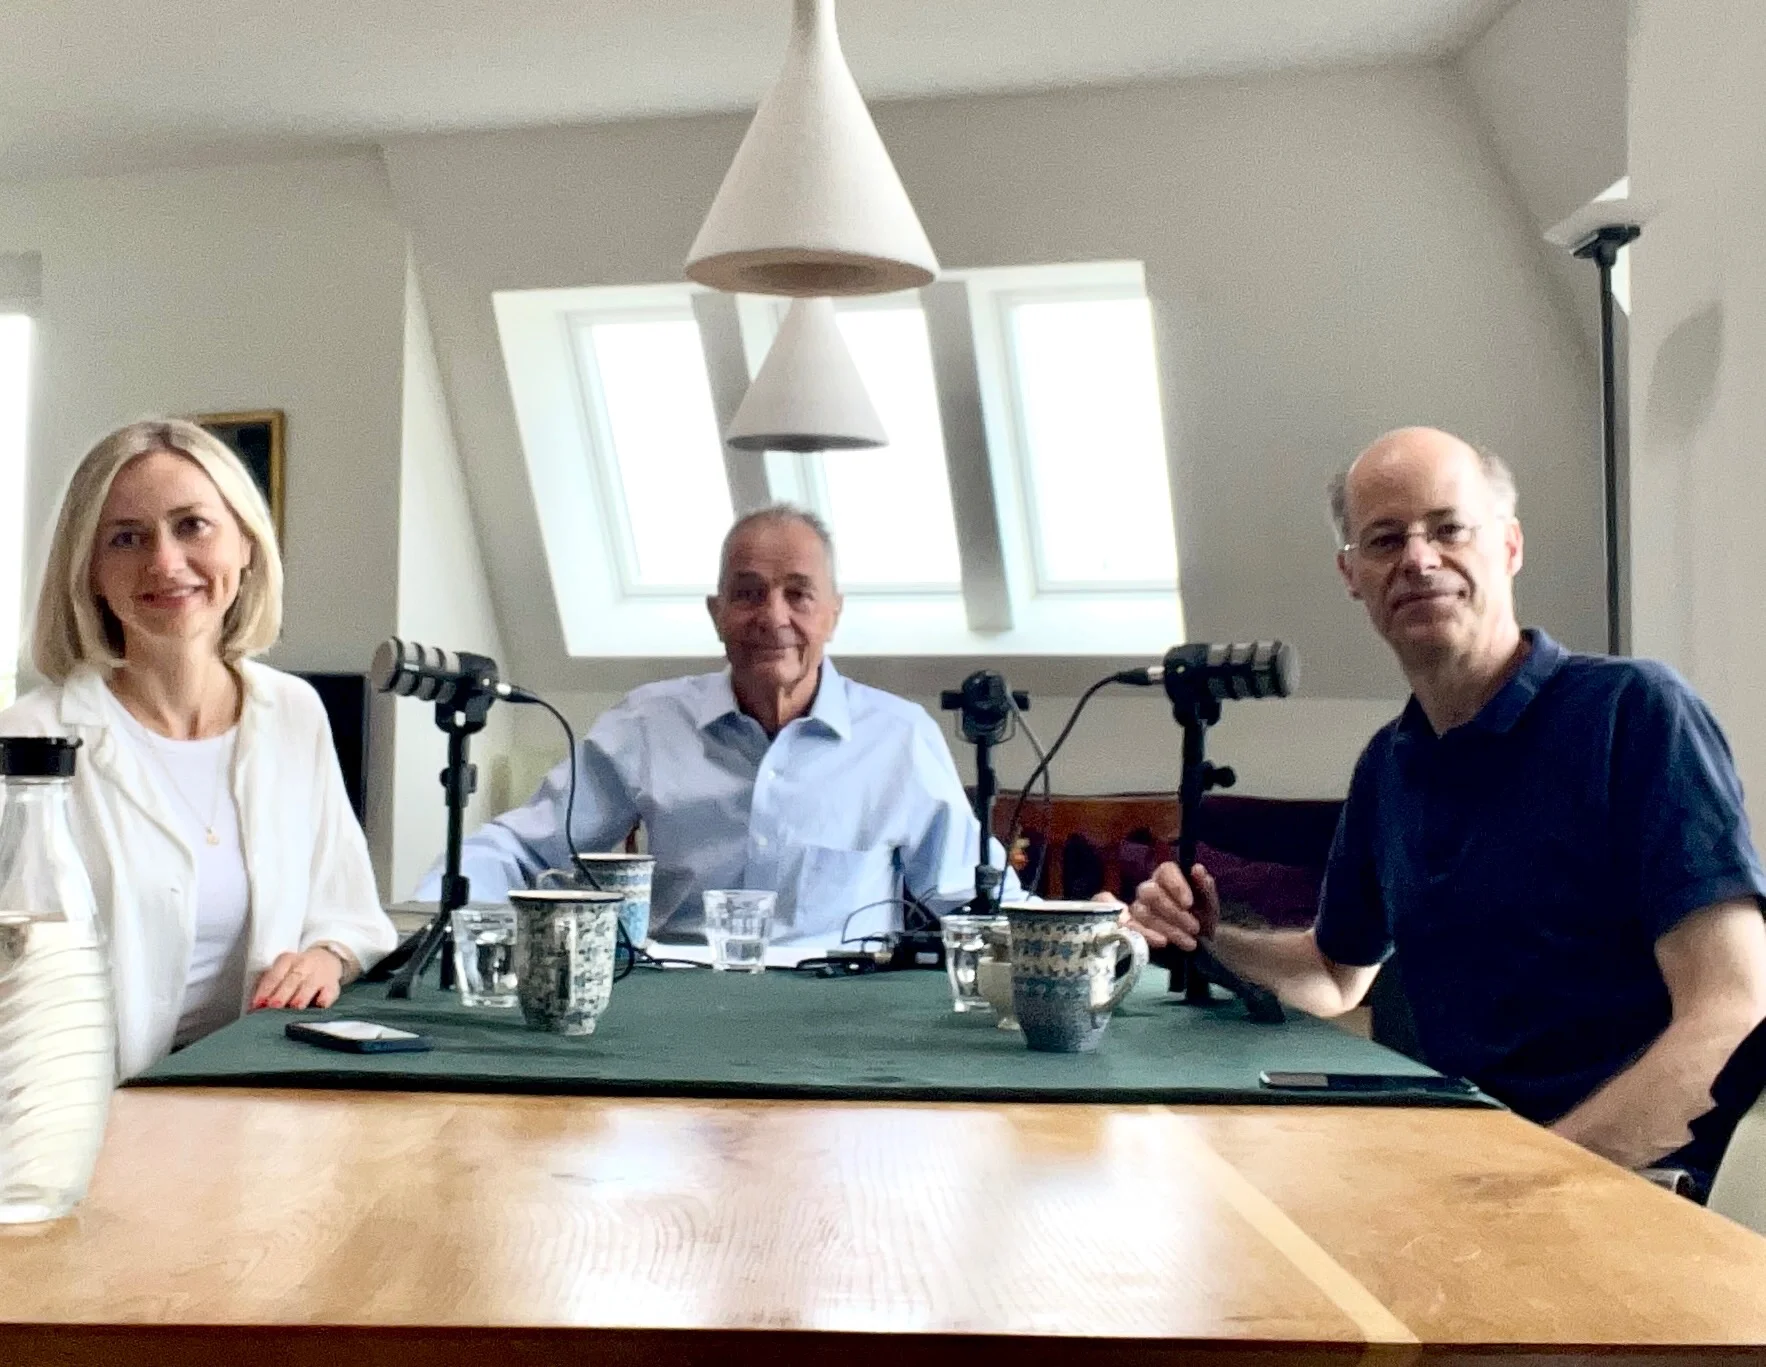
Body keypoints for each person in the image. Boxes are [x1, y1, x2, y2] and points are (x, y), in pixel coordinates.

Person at [1127, 426, 1766, 1180]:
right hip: (1462, 1166)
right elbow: (1335, 975)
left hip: (1632, 1184)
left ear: (1510, 546)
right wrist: (1209, 937)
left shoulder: (1635, 714)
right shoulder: (1387, 765)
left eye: (1449, 528)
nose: (1419, 558)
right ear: (1352, 574)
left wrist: (1539, 1175)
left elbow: (1733, 1011)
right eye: (1385, 539)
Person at [418, 504, 1008, 948]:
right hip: (676, 1002)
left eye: (799, 594)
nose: (773, 616)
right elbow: (524, 848)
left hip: (840, 1011)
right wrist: (421, 917)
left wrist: (1054, 935)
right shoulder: (648, 723)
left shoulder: (898, 737)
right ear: (716, 612)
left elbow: (971, 895)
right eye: (748, 594)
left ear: (834, 614)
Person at [0, 418, 396, 1077]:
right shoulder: (29, 739)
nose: (164, 562)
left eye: (192, 526)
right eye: (126, 537)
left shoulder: (292, 712)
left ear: (246, 545)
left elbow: (349, 912)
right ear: (90, 570)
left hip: (254, 1091)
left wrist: (325, 958)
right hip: (82, 1101)